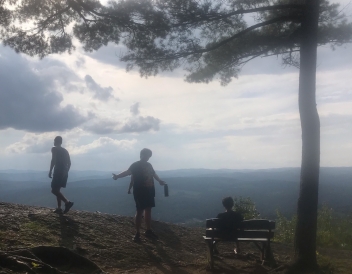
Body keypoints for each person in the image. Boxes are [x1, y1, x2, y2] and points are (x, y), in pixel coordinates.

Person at [112, 148, 166, 242]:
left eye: (149, 156)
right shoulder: (135, 165)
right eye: (146, 155)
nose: (148, 158)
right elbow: (127, 172)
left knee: (148, 210)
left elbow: (153, 174)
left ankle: (148, 230)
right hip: (140, 191)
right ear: (141, 155)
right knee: (140, 211)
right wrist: (117, 176)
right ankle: (137, 234)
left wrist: (159, 181)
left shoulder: (149, 165)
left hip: (149, 190)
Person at [48, 136, 74, 214]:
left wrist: (50, 171)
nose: (54, 142)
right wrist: (66, 171)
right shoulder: (65, 151)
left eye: (54, 141)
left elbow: (53, 160)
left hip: (58, 171)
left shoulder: (54, 149)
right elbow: (69, 163)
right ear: (61, 142)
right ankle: (59, 208)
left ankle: (67, 202)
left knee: (53, 190)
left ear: (55, 141)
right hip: (64, 172)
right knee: (57, 190)